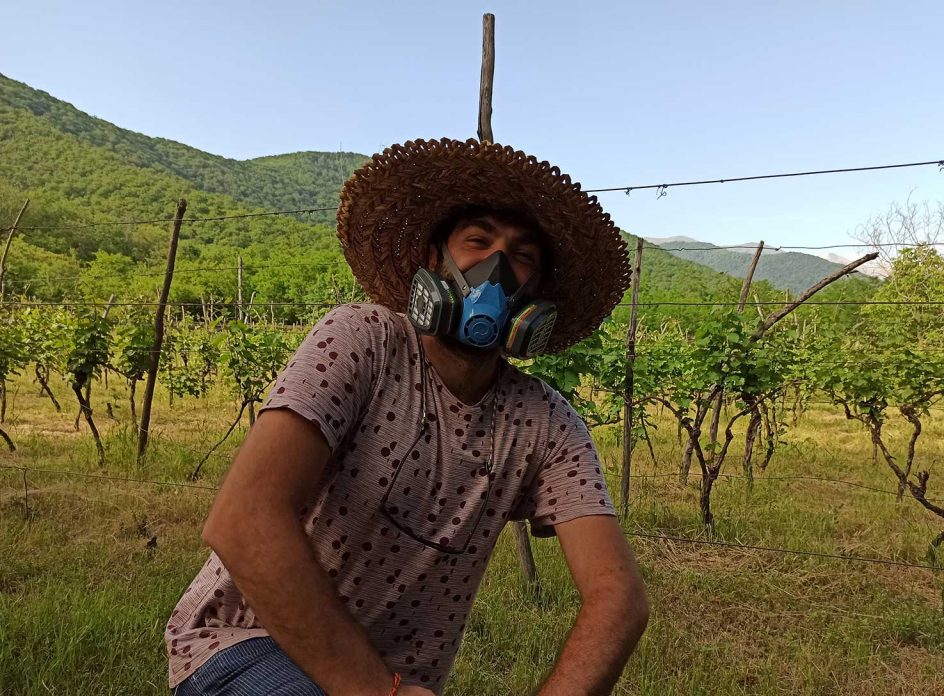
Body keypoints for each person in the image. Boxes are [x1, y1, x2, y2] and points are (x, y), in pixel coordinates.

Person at [165, 138, 649, 696]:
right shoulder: (363, 340)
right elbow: (243, 519)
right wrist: (379, 692)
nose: (496, 270)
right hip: (245, 642)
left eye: (521, 256)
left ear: (534, 297)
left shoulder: (547, 424)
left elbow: (618, 597)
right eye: (477, 241)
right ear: (431, 263)